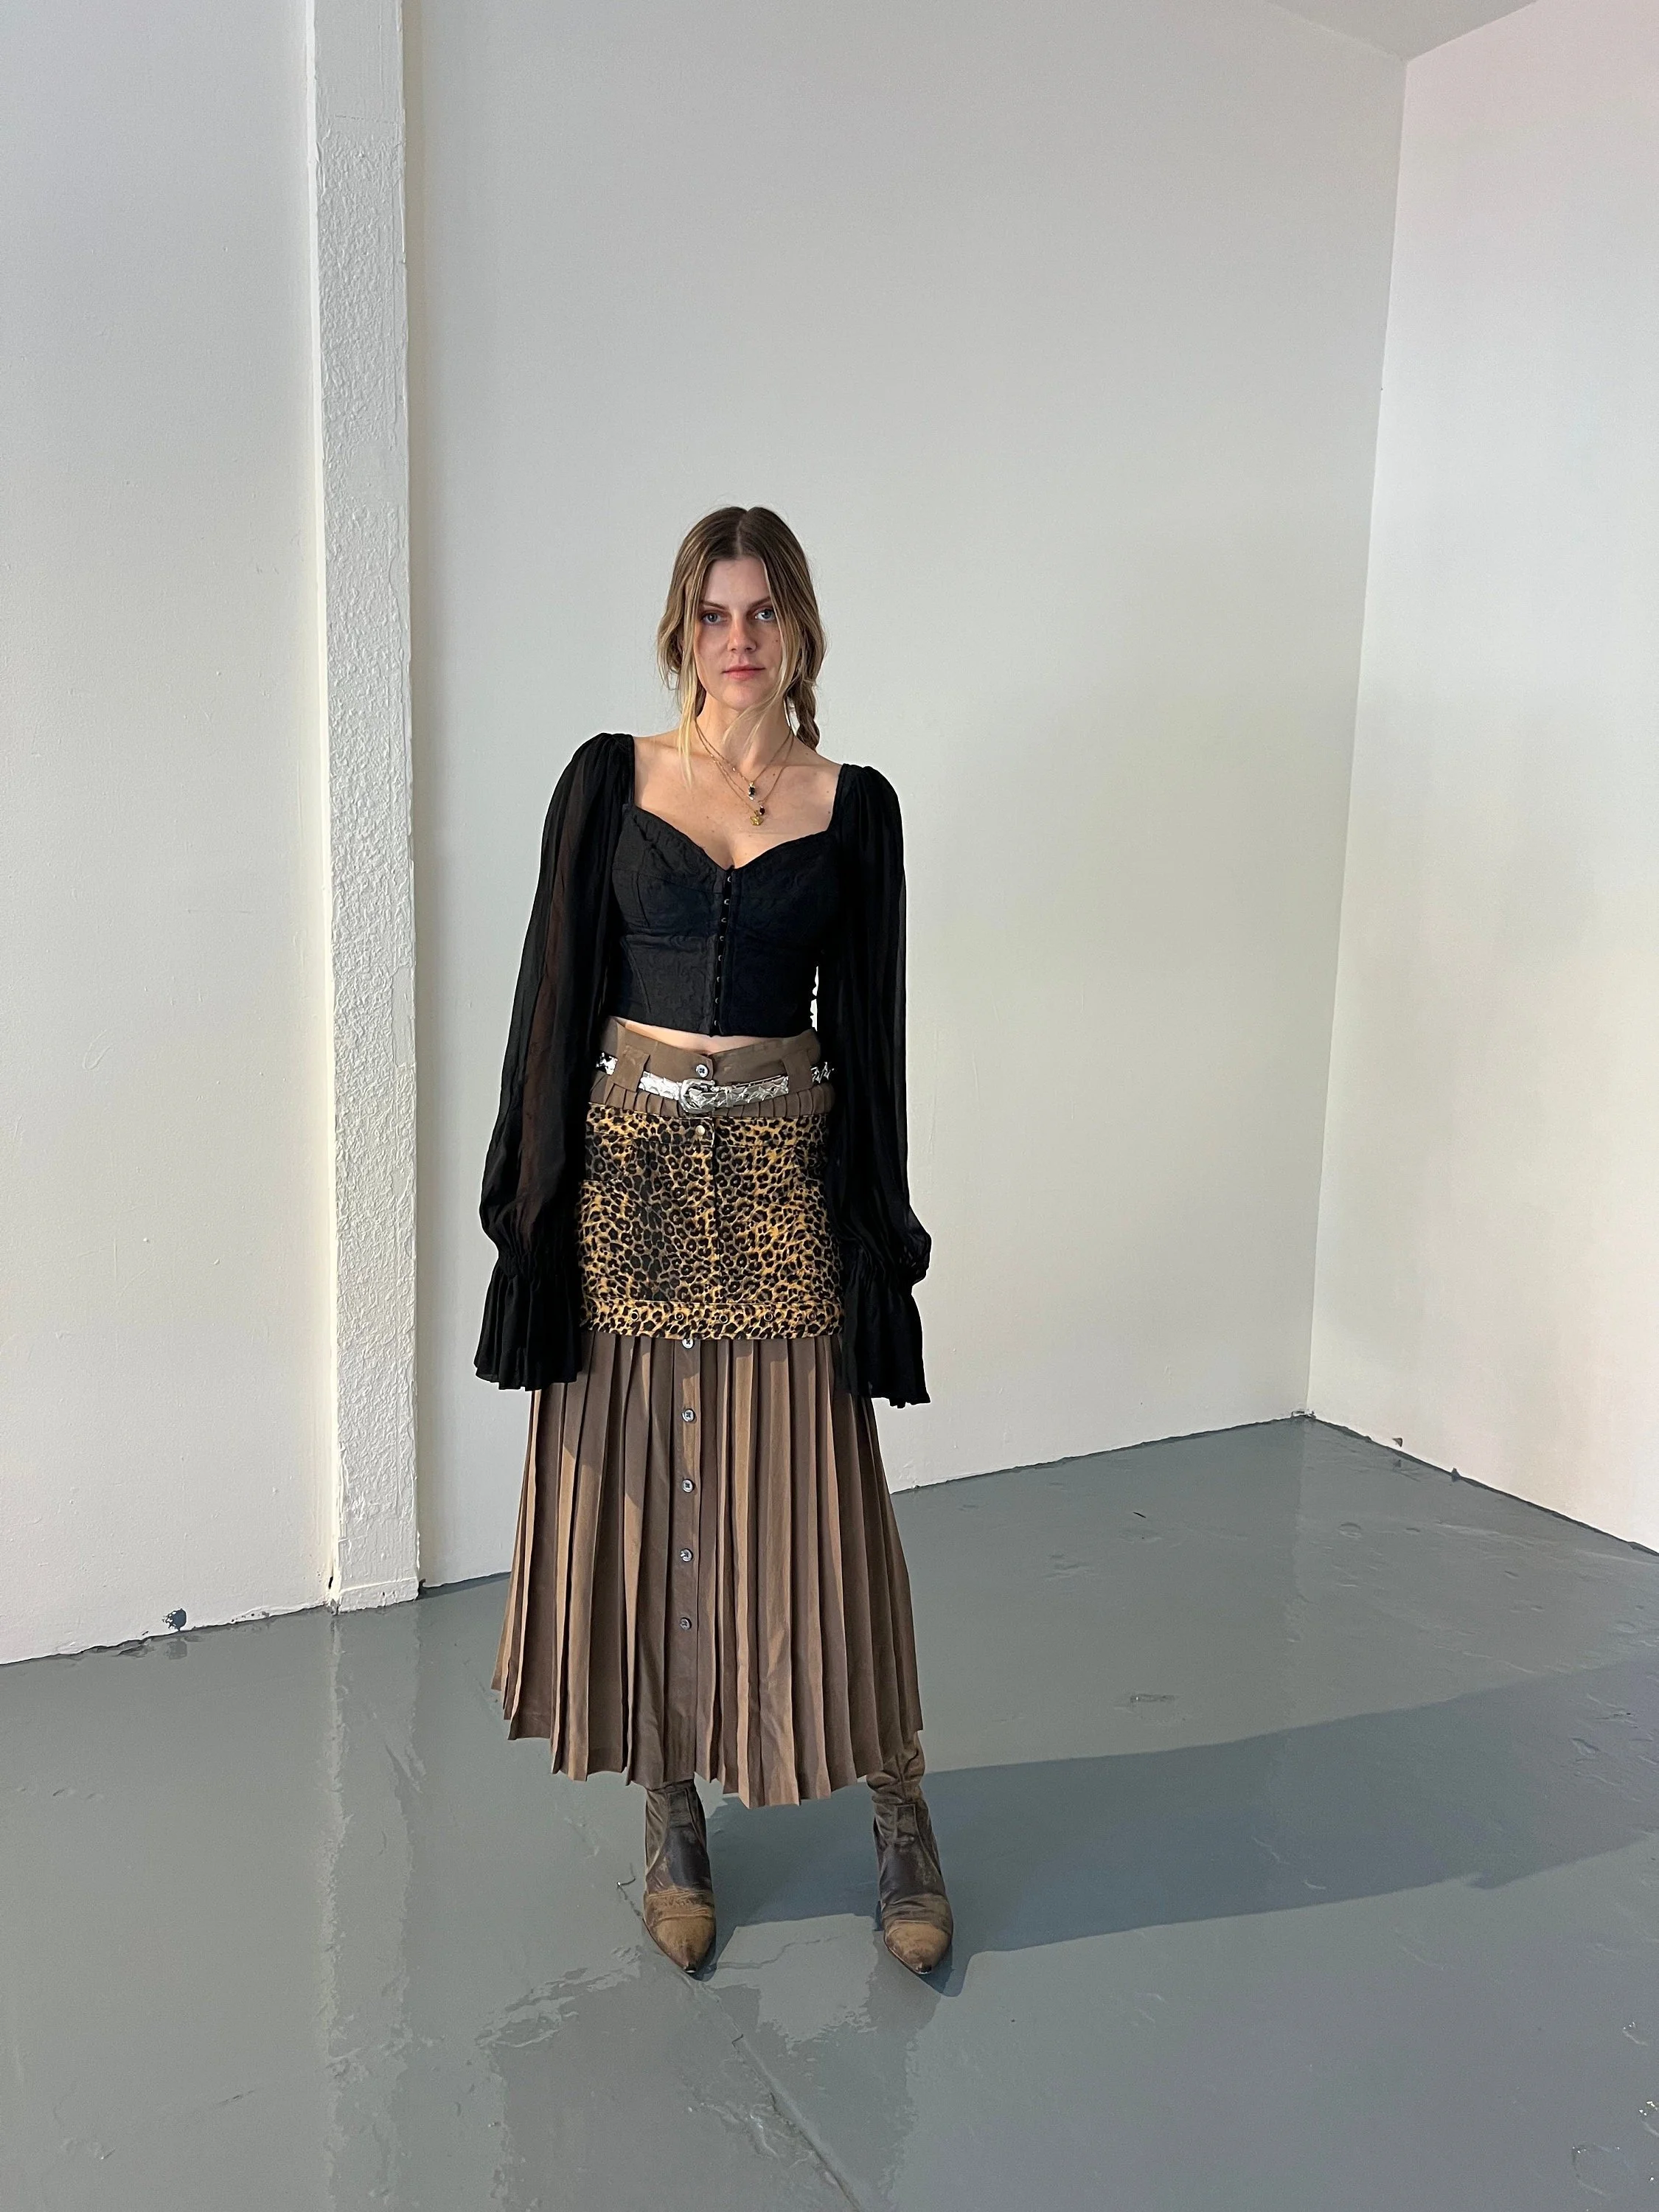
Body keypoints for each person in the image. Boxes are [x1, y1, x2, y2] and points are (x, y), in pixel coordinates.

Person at [475, 505, 950, 1977]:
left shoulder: (851, 808)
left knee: (818, 1505)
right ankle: (670, 1812)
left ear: (799, 628)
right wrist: (530, 1213)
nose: (737, 640)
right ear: (681, 630)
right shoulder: (609, 782)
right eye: (713, 613)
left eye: (762, 611)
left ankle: (899, 1810)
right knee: (641, 1494)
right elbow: (551, 1000)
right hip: (628, 1168)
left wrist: (876, 1232)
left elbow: (870, 1036)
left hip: (780, 1172)